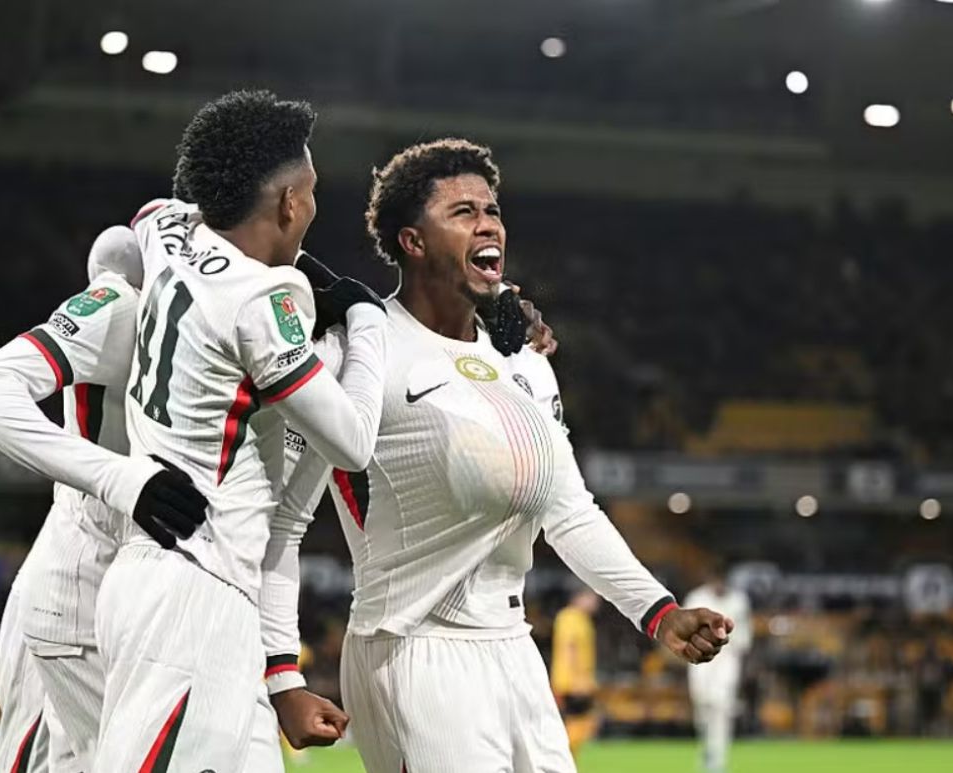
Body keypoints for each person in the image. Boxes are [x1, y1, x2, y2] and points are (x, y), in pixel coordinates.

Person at [260, 138, 734, 773]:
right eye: (462, 211)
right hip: (412, 654)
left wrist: (659, 612)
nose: (487, 223)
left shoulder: (524, 359)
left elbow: (570, 510)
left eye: (492, 210)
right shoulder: (359, 351)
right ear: (412, 241)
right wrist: (282, 674)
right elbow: (284, 523)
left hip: (515, 652)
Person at [91, 89, 390, 773]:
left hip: (189, 587)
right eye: (310, 192)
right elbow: (352, 442)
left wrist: (280, 676)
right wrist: (366, 320)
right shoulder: (259, 302)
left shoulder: (167, 229)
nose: (312, 208)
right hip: (192, 594)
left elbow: (150, 214)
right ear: (288, 203)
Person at [0, 226, 210, 773]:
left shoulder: (218, 309)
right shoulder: (120, 303)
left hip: (127, 574)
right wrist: (118, 478)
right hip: (81, 569)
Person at [686, 568, 753, 773]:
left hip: (727, 658)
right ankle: (706, 748)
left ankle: (718, 760)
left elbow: (744, 636)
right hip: (700, 657)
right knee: (702, 705)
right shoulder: (696, 598)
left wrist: (741, 659)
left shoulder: (739, 601)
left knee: (722, 707)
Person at [551, 586, 601, 759]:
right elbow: (570, 648)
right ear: (580, 597)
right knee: (579, 723)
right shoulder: (570, 617)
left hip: (577, 681)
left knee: (582, 723)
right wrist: (578, 680)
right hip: (571, 682)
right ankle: (562, 759)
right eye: (592, 598)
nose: (596, 603)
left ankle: (567, 760)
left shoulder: (581, 618)